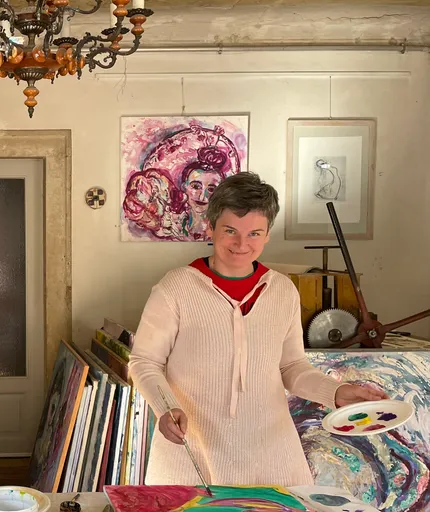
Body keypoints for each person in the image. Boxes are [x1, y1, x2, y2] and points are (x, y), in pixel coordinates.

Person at [127, 172, 388, 487]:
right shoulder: (175, 288)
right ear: (210, 228)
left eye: (254, 233)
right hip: (193, 451)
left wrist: (334, 392)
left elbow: (291, 367)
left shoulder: (283, 291)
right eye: (230, 231)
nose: (241, 244)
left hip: (273, 454)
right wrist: (166, 408)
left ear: (267, 235)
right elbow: (144, 361)